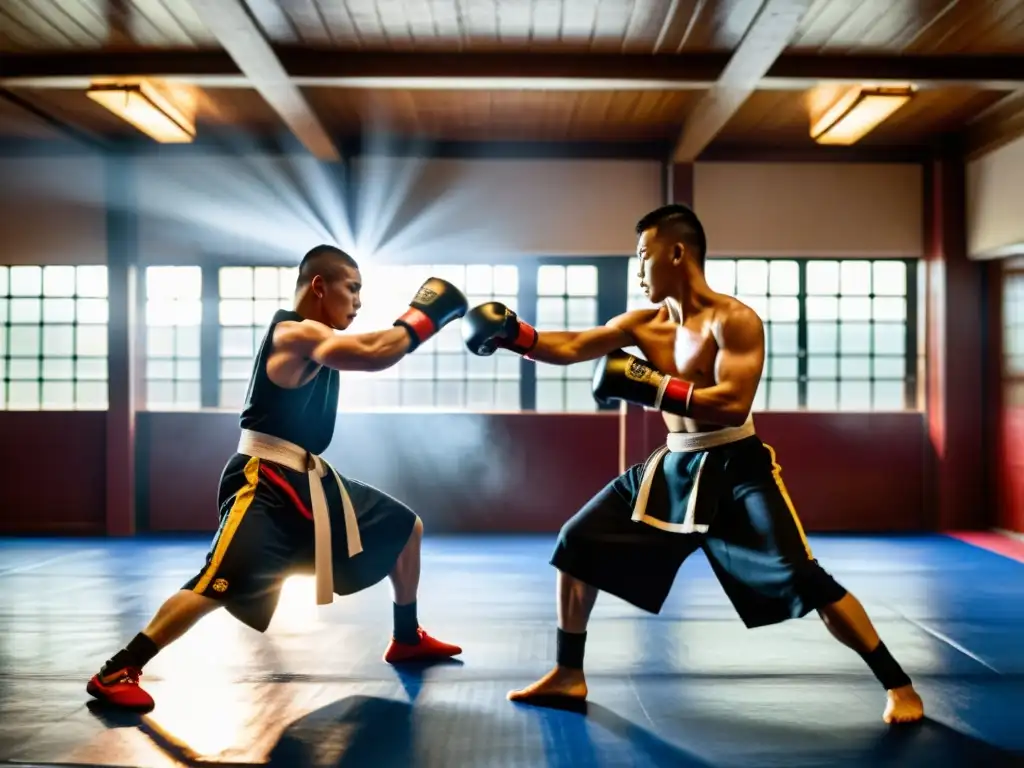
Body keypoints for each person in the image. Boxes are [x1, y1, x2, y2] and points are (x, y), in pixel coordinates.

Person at [461, 204, 925, 725]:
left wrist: (651, 385)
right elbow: (569, 345)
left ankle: (899, 684)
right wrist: (515, 336)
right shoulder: (643, 324)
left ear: (676, 253)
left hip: (738, 468)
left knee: (804, 578)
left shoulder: (735, 320)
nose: (637, 271)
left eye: (643, 256)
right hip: (672, 469)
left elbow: (733, 402)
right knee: (577, 542)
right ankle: (569, 673)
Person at [87, 245, 466, 710]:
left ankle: (407, 638)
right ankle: (117, 669)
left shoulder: (315, 335)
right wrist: (426, 314)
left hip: (307, 476)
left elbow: (367, 350)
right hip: (263, 478)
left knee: (406, 528)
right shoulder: (295, 332)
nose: (359, 302)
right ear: (320, 286)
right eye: (353, 288)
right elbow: (372, 352)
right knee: (219, 581)